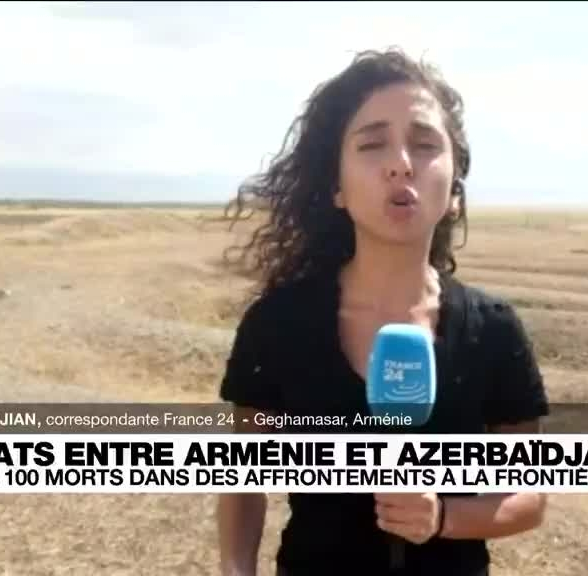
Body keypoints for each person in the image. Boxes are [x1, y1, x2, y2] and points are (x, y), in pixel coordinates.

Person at [216, 47, 550, 576]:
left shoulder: (493, 331)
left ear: (454, 191)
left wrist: (442, 517)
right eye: (373, 145)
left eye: (425, 144)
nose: (401, 163)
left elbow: (529, 499)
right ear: (337, 187)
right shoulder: (278, 325)